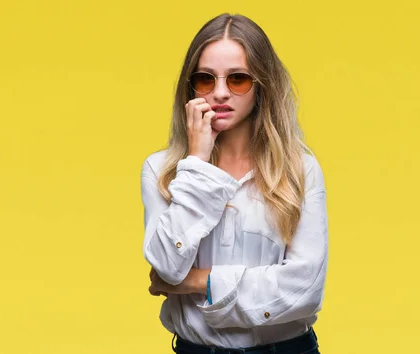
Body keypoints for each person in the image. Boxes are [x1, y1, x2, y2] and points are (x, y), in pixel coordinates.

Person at [140, 13, 328, 354]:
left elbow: (305, 290)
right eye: (206, 79)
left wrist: (199, 281)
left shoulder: (300, 170)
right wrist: (196, 162)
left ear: (262, 85)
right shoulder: (162, 171)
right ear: (191, 86)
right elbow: (167, 267)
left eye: (238, 79)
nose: (221, 93)